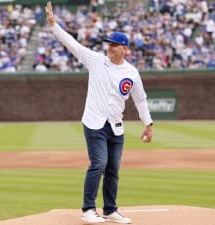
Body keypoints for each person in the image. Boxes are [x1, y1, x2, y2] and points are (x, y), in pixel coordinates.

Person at [45, 2, 153, 224]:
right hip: (94, 122)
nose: (110, 48)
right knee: (99, 163)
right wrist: (54, 26)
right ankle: (87, 209)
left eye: (114, 45)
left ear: (124, 48)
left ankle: (111, 210)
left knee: (113, 169)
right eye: (109, 44)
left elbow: (140, 98)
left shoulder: (132, 72)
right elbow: (73, 45)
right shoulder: (96, 60)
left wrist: (148, 124)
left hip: (116, 125)